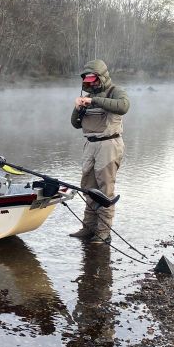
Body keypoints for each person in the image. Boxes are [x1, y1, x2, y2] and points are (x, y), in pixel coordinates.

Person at [69, 59, 130, 244]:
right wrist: (78, 108)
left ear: (101, 77)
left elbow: (124, 106)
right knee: (88, 188)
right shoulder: (87, 96)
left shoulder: (115, 91)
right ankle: (88, 228)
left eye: (93, 80)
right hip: (90, 145)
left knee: (105, 190)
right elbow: (75, 124)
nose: (91, 84)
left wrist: (94, 100)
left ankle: (103, 232)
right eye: (87, 81)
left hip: (109, 145)